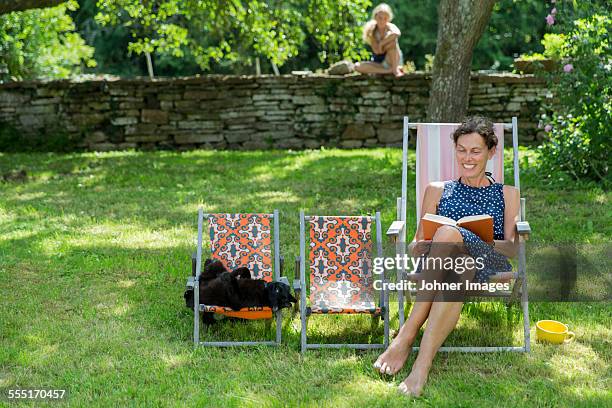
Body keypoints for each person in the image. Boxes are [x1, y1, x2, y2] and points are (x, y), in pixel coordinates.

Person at [373, 116, 521, 397]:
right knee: (454, 258)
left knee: (450, 234)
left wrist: (464, 236)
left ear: (491, 152)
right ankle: (421, 367)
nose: (467, 157)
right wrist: (423, 245)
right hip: (442, 265)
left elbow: (512, 249)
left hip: (486, 262)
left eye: (475, 151)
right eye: (461, 150)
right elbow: (418, 242)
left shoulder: (507, 194)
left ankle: (406, 334)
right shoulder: (438, 189)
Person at [355, 3, 404, 77]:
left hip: (392, 61)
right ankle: (388, 71)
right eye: (380, 18)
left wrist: (382, 43)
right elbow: (377, 51)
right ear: (375, 17)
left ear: (388, 19)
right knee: (357, 66)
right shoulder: (372, 30)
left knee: (392, 42)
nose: (382, 21)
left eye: (385, 18)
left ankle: (394, 69)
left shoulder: (390, 27)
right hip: (379, 62)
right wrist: (384, 46)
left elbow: (397, 33)